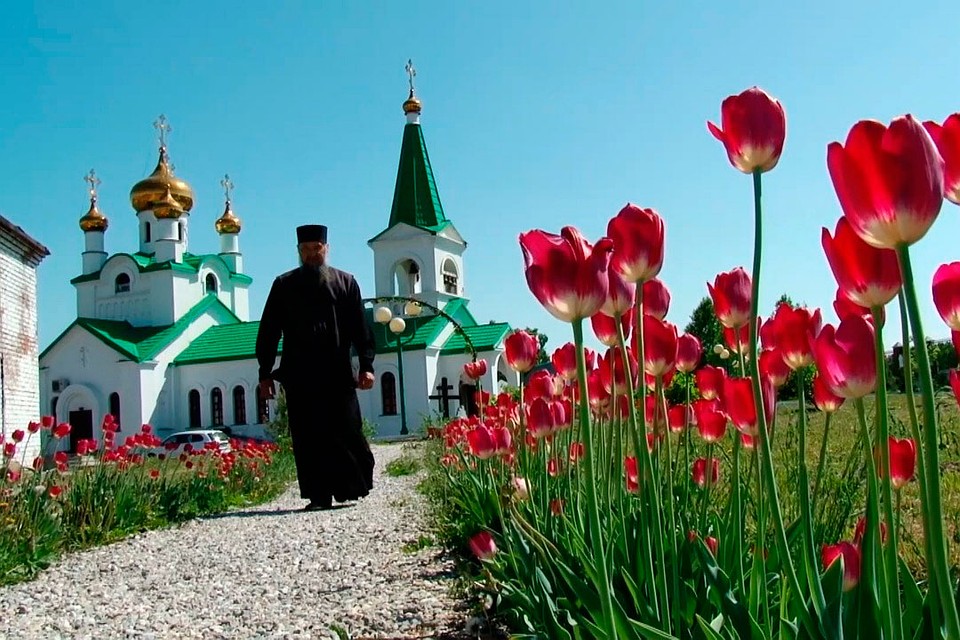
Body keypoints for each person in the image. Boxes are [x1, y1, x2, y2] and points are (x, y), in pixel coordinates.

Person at [255, 224, 377, 511]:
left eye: (317, 249)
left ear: (326, 249)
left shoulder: (346, 283)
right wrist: (265, 373)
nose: (312, 254)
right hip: (301, 375)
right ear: (299, 252)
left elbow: (361, 328)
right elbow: (269, 332)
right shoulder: (283, 285)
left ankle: (350, 488)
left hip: (338, 374)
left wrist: (367, 365)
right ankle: (318, 495)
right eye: (306, 250)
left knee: (347, 431)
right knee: (309, 437)